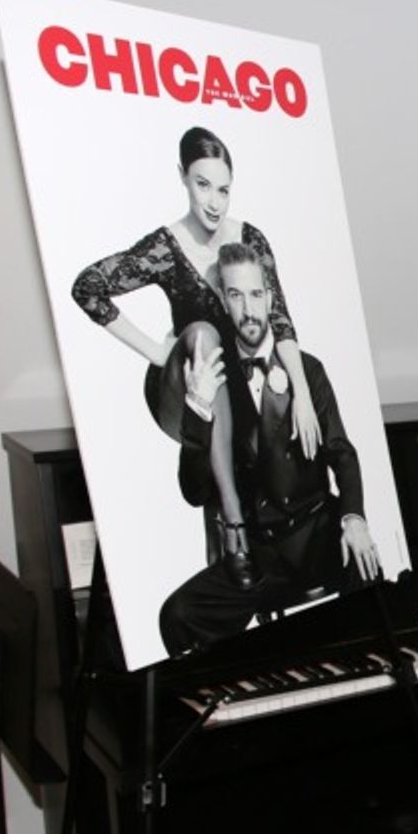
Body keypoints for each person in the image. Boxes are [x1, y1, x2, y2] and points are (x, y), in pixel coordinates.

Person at [72, 126, 322, 591]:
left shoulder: (250, 239)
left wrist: (303, 394)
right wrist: (157, 351)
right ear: (183, 177)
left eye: (223, 189)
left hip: (232, 388)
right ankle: (233, 525)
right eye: (202, 184)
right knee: (204, 333)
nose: (213, 200)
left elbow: (280, 318)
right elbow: (87, 288)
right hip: (183, 391)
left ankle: (290, 553)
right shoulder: (164, 247)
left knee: (273, 402)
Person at [158, 242, 378, 655]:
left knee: (369, 575)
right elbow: (194, 492)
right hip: (259, 557)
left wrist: (353, 518)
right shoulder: (215, 382)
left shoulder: (306, 370)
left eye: (256, 294)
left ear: (270, 298)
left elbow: (342, 454)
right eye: (236, 295)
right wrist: (198, 411)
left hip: (318, 536)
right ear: (224, 300)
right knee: (178, 615)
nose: (249, 309)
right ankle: (250, 704)